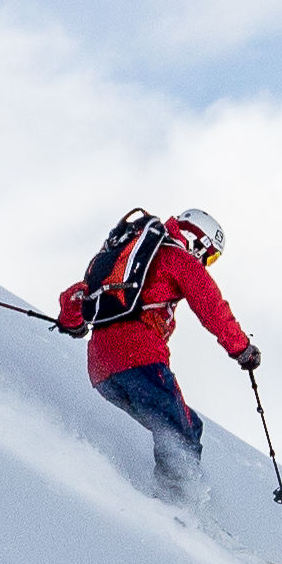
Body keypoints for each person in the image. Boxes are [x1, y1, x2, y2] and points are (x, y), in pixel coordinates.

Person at [64, 207, 259, 504]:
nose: (207, 263)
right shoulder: (176, 257)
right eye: (211, 256)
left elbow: (81, 298)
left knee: (188, 426)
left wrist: (73, 323)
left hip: (102, 370)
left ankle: (173, 498)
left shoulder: (128, 253)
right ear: (199, 241)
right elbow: (211, 306)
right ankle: (176, 507)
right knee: (178, 433)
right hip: (138, 357)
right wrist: (242, 349)